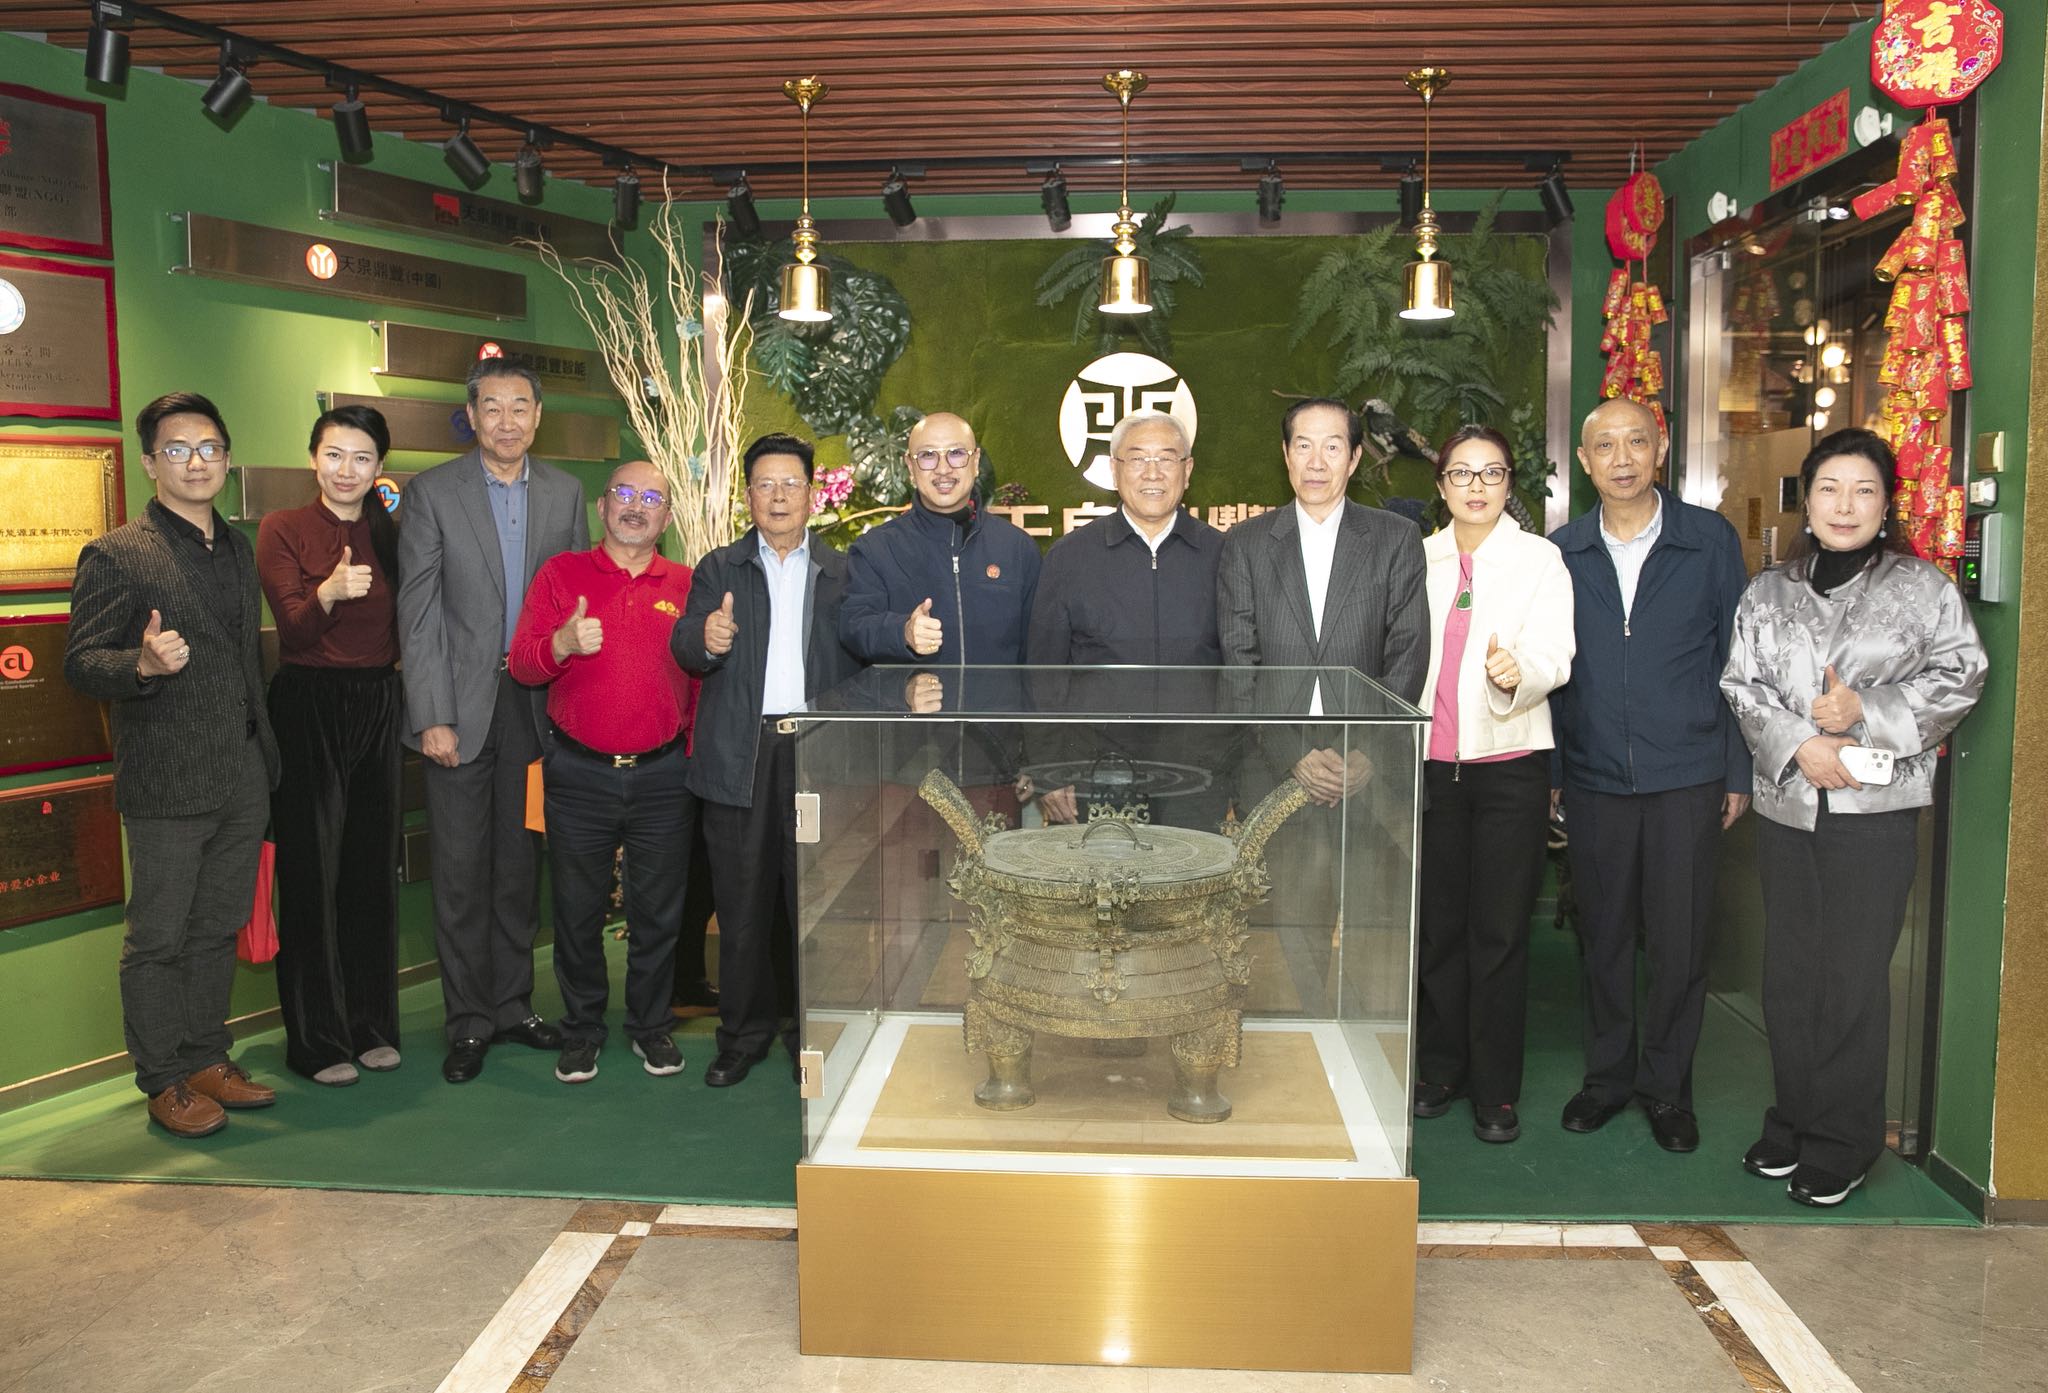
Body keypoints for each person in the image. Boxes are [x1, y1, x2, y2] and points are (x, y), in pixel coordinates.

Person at [1720, 428, 1985, 1206]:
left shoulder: (1924, 589)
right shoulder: (1768, 592)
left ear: (1886, 503)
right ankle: (1794, 1120)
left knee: (1853, 977)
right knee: (1790, 974)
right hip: (1789, 806)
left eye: (1863, 490)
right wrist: (1800, 742)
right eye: (1829, 488)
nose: (1845, 505)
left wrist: (1863, 708)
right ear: (1807, 500)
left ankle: (1845, 1140)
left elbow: (1963, 673)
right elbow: (1740, 683)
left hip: (1876, 812)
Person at [64, 392, 281, 1137]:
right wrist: (142, 664)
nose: (197, 462)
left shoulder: (239, 547)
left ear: (226, 458)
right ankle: (162, 1078)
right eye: (179, 450)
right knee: (158, 935)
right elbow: (82, 662)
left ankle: (206, 1056)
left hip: (243, 769)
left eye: (210, 448)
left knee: (217, 926)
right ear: (150, 463)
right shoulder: (117, 553)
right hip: (167, 775)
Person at [1548, 396, 1751, 1153]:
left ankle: (1668, 1089)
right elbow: (1552, 668)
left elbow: (1739, 662)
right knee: (1601, 937)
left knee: (1680, 941)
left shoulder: (1709, 540)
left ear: (1659, 450)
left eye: (1637, 441)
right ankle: (1607, 1079)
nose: (1623, 458)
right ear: (1585, 461)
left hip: (1688, 774)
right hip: (1594, 776)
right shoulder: (1562, 551)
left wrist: (1736, 768)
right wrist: (1557, 770)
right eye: (1606, 445)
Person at [396, 360, 589, 1084]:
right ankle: (469, 1020)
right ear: (472, 417)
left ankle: (512, 1005)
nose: (507, 421)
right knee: (459, 872)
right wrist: (432, 716)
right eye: (493, 408)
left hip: (535, 706)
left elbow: (574, 604)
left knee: (518, 866)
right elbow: (418, 614)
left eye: (520, 408)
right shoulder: (432, 492)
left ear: (538, 416)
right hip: (459, 707)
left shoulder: (567, 493)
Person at [671, 433, 864, 1087]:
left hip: (817, 754)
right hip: (740, 753)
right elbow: (685, 644)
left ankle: (810, 1032)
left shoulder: (843, 571)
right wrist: (706, 637)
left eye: (790, 484)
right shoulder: (719, 568)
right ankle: (742, 1035)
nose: (778, 496)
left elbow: (867, 650)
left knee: (814, 901)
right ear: (748, 495)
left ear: (811, 494)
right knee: (742, 903)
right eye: (765, 484)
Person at [1411, 426, 1576, 1145]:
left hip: (1510, 766)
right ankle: (1441, 1068)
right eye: (1461, 473)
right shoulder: (1417, 559)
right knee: (1438, 927)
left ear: (1510, 483)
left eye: (1492, 473)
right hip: (1429, 769)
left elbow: (1557, 651)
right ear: (1441, 484)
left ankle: (1496, 1088)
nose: (1476, 486)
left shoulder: (1540, 558)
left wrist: (1519, 673)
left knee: (1500, 932)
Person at [508, 459, 697, 1084]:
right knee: (577, 912)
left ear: (667, 518)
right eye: (625, 493)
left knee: (658, 914)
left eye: (652, 498)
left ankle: (650, 1026)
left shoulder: (687, 583)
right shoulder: (562, 574)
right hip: (578, 774)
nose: (636, 506)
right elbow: (523, 663)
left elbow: (702, 680)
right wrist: (560, 645)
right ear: (602, 506)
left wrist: (692, 752)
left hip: (664, 777)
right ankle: (582, 1029)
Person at [255, 405, 405, 1087]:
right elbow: (291, 630)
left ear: (379, 467)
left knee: (372, 870)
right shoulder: (282, 527)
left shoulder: (391, 529)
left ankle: (371, 1025)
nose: (348, 470)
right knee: (311, 874)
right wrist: (330, 591)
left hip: (378, 699)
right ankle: (316, 1040)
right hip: (308, 703)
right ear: (313, 458)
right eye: (335, 455)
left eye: (362, 458)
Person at [1218, 396, 1429, 801]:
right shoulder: (1245, 543)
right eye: (1303, 446)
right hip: (1270, 761)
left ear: (1353, 458)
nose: (1316, 462)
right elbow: (1239, 665)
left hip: (1370, 771)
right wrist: (1292, 754)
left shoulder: (1396, 537)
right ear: (1286, 454)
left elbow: (1408, 652)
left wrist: (1365, 750)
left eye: (1332, 447)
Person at [1026, 407, 1227, 828]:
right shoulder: (1070, 556)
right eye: (1137, 459)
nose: (1152, 472)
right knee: (1102, 872)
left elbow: (1242, 667)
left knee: (1188, 871)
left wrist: (1232, 768)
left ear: (1188, 470)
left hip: (1197, 775)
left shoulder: (1222, 555)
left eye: (1166, 458)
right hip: (1095, 772)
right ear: (1114, 471)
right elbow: (1045, 674)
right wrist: (1049, 770)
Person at [838, 411, 1041, 667]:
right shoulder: (875, 549)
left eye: (956, 453)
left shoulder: (1018, 548)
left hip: (999, 696)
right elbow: (854, 625)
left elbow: (1039, 645)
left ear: (976, 462)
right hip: (910, 694)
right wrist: (902, 632)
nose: (943, 469)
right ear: (910, 467)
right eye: (928, 455)